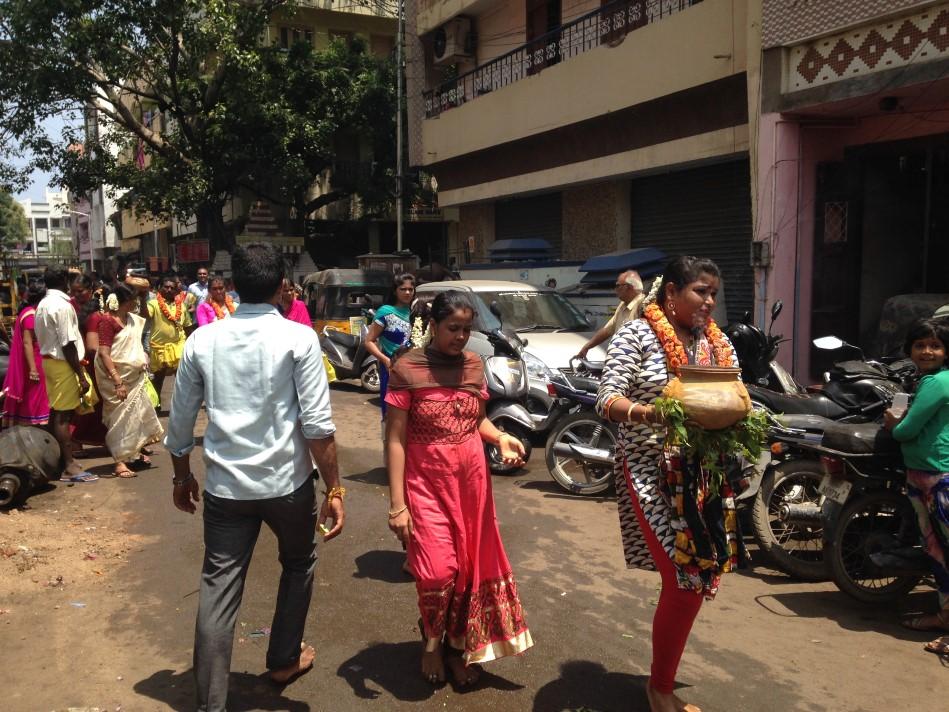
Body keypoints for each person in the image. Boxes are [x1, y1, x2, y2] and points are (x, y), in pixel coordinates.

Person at [164, 243, 344, 711]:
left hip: (226, 489)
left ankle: (211, 704)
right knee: (299, 563)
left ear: (234, 287)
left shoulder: (202, 341)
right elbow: (318, 427)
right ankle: (284, 657)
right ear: (283, 286)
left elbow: (180, 423)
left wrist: (181, 477)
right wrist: (335, 488)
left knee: (218, 589)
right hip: (288, 484)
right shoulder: (298, 338)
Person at [595, 256, 739, 712]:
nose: (709, 302)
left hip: (704, 476)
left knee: (697, 578)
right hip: (648, 473)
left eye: (713, 293)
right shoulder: (636, 334)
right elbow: (606, 397)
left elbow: (736, 391)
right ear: (671, 293)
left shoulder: (717, 344)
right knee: (684, 579)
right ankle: (659, 688)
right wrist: (647, 413)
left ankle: (663, 679)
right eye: (700, 291)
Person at [385, 290, 533, 687]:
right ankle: (430, 640)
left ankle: (455, 647)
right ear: (432, 326)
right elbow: (395, 439)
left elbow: (477, 421)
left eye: (467, 329)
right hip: (426, 483)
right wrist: (398, 505)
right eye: (453, 328)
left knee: (469, 570)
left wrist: (499, 438)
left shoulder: (473, 364)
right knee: (438, 571)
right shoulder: (407, 368)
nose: (461, 336)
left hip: (471, 483)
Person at [883, 318, 949, 658]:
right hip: (924, 475)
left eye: (935, 345)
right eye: (920, 345)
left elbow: (906, 431)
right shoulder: (928, 381)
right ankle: (944, 617)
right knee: (937, 553)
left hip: (940, 476)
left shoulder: (939, 383)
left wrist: (894, 423)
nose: (927, 351)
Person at [95, 285, 164, 478]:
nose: (136, 302)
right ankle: (119, 462)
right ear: (125, 301)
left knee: (137, 414)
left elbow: (144, 316)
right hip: (114, 379)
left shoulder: (131, 319)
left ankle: (133, 453)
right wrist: (118, 381)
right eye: (134, 299)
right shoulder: (107, 322)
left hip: (134, 377)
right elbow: (104, 353)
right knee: (119, 419)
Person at [33, 265, 93, 481]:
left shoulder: (43, 303)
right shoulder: (61, 305)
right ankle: (69, 465)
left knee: (56, 413)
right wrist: (81, 375)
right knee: (62, 416)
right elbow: (68, 343)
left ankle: (60, 460)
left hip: (50, 362)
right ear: (64, 281)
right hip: (62, 363)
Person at [365, 273, 415, 418]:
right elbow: (369, 341)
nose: (407, 292)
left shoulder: (415, 312)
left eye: (410, 289)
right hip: (391, 368)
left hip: (412, 368)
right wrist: (385, 360)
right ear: (395, 290)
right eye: (403, 289)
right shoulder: (385, 312)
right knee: (392, 412)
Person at [1, 284, 49, 427]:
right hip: (33, 360)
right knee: (34, 394)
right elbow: (27, 342)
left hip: (33, 358)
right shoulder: (30, 315)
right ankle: (34, 422)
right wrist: (33, 369)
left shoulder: (27, 311)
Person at [70, 275, 109, 448]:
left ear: (90, 290)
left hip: (93, 360)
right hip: (84, 360)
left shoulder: (96, 308)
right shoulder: (71, 306)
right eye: (74, 292)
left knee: (97, 403)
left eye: (81, 291)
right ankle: (76, 440)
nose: (77, 295)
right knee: (85, 402)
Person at [576, 270, 644, 360]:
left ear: (628, 287)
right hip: (620, 358)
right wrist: (587, 347)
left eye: (617, 286)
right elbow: (607, 330)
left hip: (635, 360)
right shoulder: (623, 305)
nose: (615, 289)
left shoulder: (643, 305)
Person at [147, 274, 191, 408]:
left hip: (178, 345)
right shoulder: (153, 304)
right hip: (159, 347)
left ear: (176, 290)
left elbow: (187, 326)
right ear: (160, 288)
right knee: (158, 378)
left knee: (182, 377)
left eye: (172, 288)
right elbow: (145, 314)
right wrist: (142, 296)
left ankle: (183, 405)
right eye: (166, 287)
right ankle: (156, 405)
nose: (169, 290)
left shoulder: (182, 306)